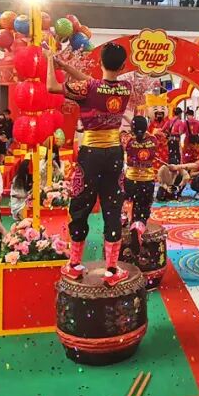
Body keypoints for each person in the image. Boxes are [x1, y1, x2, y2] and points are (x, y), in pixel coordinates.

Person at [47, 43, 131, 284]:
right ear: (123, 67)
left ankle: (74, 264)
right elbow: (96, 84)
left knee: (81, 204)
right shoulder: (125, 88)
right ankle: (112, 269)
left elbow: (51, 86)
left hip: (90, 155)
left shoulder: (89, 88)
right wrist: (66, 67)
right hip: (114, 153)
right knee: (113, 206)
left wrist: (50, 63)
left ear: (101, 63)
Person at [124, 116, 165, 247]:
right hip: (147, 180)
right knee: (144, 207)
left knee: (129, 203)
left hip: (131, 179)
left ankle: (127, 221)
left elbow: (127, 156)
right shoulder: (153, 140)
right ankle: (139, 226)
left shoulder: (129, 141)